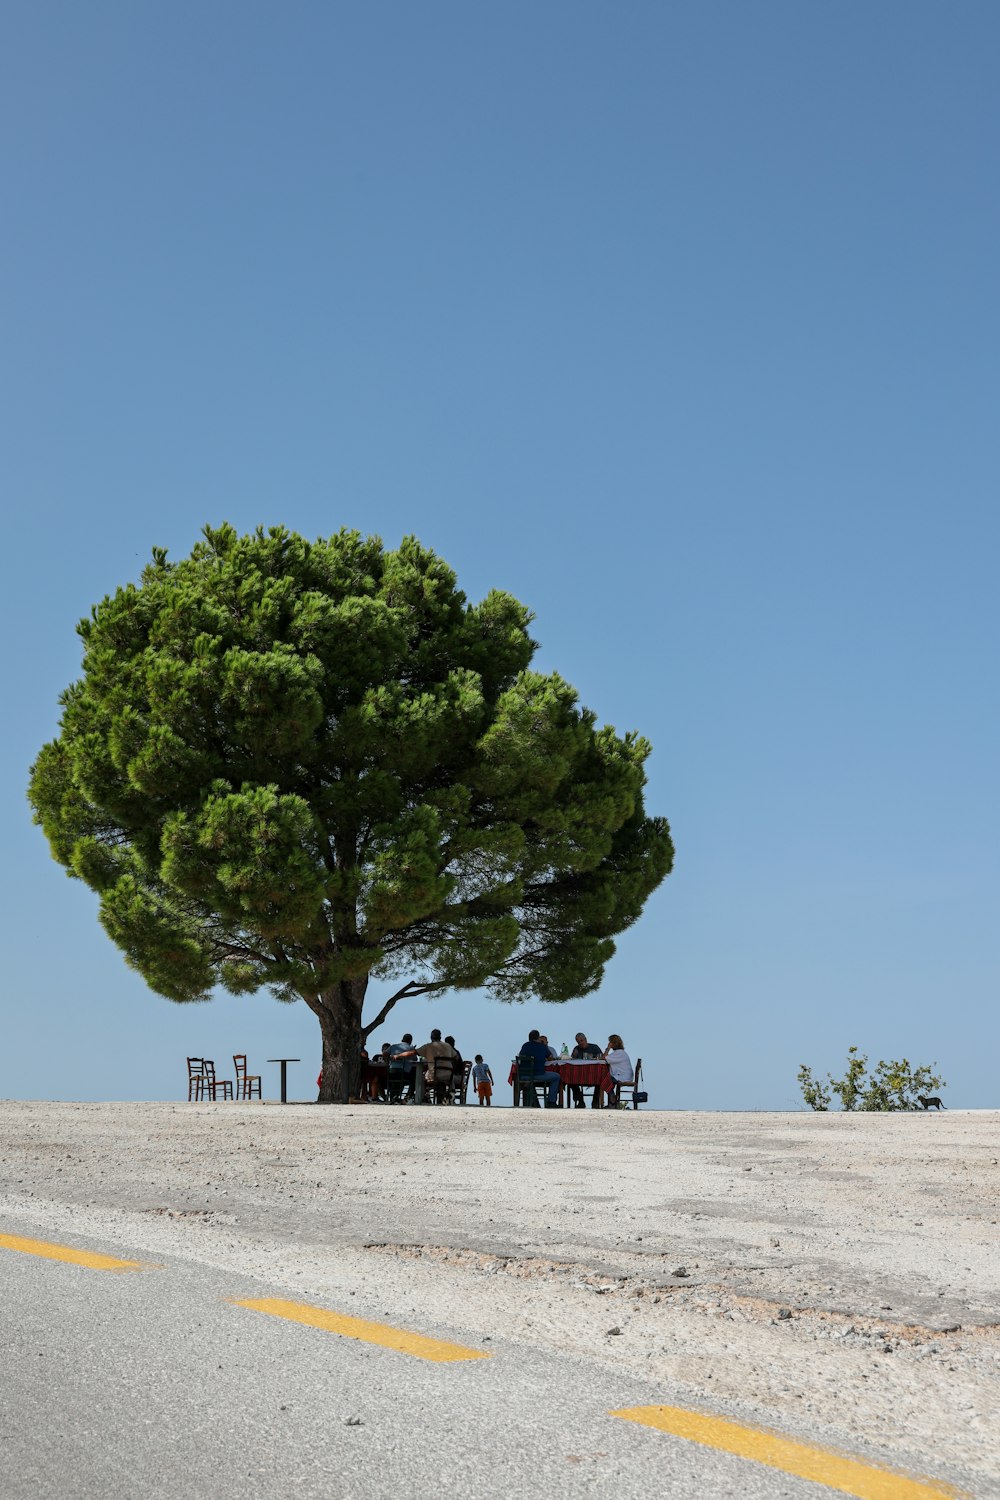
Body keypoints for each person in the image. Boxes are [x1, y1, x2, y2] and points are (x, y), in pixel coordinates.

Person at [517, 1029, 560, 1107]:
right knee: (556, 1076)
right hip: (538, 1074)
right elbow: (550, 1058)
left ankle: (521, 1102)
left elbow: (520, 1056)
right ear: (538, 1038)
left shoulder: (525, 1045)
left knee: (529, 1082)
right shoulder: (542, 1047)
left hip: (524, 1075)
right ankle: (551, 1102)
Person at [415, 1029, 457, 1103]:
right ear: (440, 1037)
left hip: (434, 1075)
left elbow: (415, 1052)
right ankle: (448, 1094)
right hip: (448, 1075)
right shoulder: (448, 1046)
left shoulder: (428, 1046)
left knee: (421, 1077)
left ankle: (423, 1096)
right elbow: (456, 1057)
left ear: (431, 1037)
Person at [570, 1031, 603, 1109]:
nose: (580, 1043)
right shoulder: (576, 1048)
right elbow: (572, 1060)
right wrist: (574, 1056)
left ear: (585, 1039)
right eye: (578, 1042)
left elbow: (601, 1058)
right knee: (570, 1080)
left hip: (593, 1074)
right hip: (579, 1075)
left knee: (600, 1080)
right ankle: (580, 1101)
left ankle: (595, 1102)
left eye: (581, 1041)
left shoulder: (595, 1047)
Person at [604, 1034, 634, 1106]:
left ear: (613, 1043)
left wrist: (608, 1048)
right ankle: (612, 1099)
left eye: (610, 1042)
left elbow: (604, 1057)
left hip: (623, 1077)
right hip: (623, 1075)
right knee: (606, 1078)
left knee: (604, 1078)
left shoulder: (619, 1053)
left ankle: (612, 1100)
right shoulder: (620, 1053)